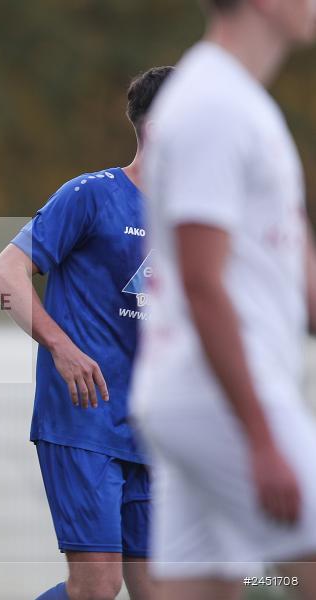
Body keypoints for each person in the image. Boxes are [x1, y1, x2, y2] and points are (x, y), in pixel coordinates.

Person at [130, 2, 316, 599]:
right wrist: (260, 435)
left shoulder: (240, 100)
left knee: (204, 589)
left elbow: (286, 264)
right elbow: (201, 282)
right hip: (225, 400)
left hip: (195, 399)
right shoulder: (215, 105)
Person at [0, 66, 172, 600]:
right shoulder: (91, 195)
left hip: (151, 429)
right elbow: (5, 273)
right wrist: (62, 346)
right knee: (96, 586)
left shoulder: (188, 220)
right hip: (84, 420)